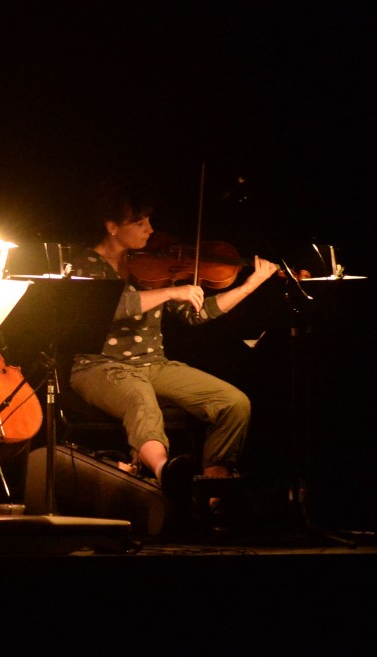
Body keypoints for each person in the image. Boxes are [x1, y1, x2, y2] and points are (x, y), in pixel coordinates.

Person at [68, 178, 279, 513]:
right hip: (99, 366)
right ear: (112, 227)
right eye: (139, 222)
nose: (150, 229)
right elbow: (114, 308)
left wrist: (249, 285)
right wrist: (170, 291)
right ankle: (167, 473)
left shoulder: (152, 264)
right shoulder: (85, 265)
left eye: (149, 220)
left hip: (154, 364)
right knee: (141, 398)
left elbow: (198, 313)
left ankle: (215, 489)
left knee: (233, 402)